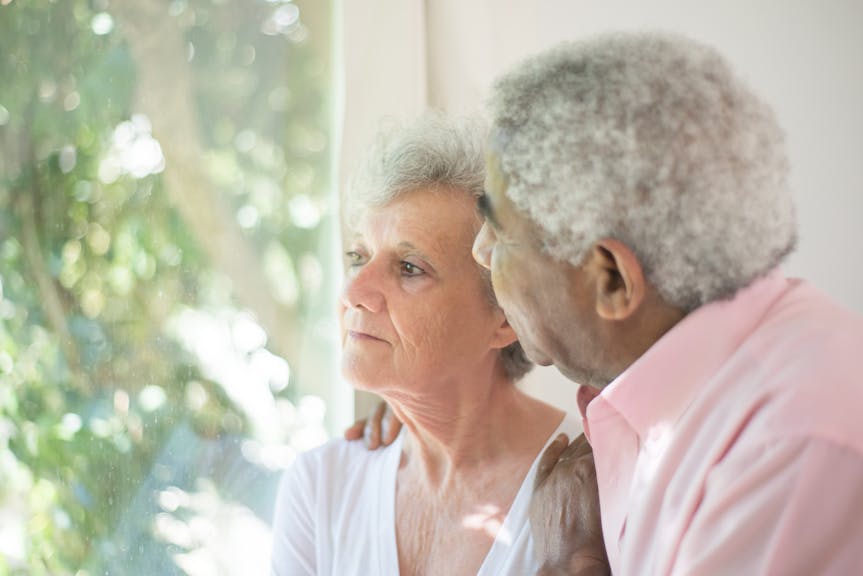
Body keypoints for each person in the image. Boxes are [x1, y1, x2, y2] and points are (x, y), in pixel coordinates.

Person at [362, 32, 863, 574]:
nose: (481, 253)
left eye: (501, 232)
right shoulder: (679, 406)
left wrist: (570, 565)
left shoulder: (788, 447)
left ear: (612, 281)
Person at [269, 113, 590, 576]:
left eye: (409, 268)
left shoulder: (590, 490)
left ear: (505, 318)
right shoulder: (322, 486)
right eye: (358, 257)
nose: (354, 293)